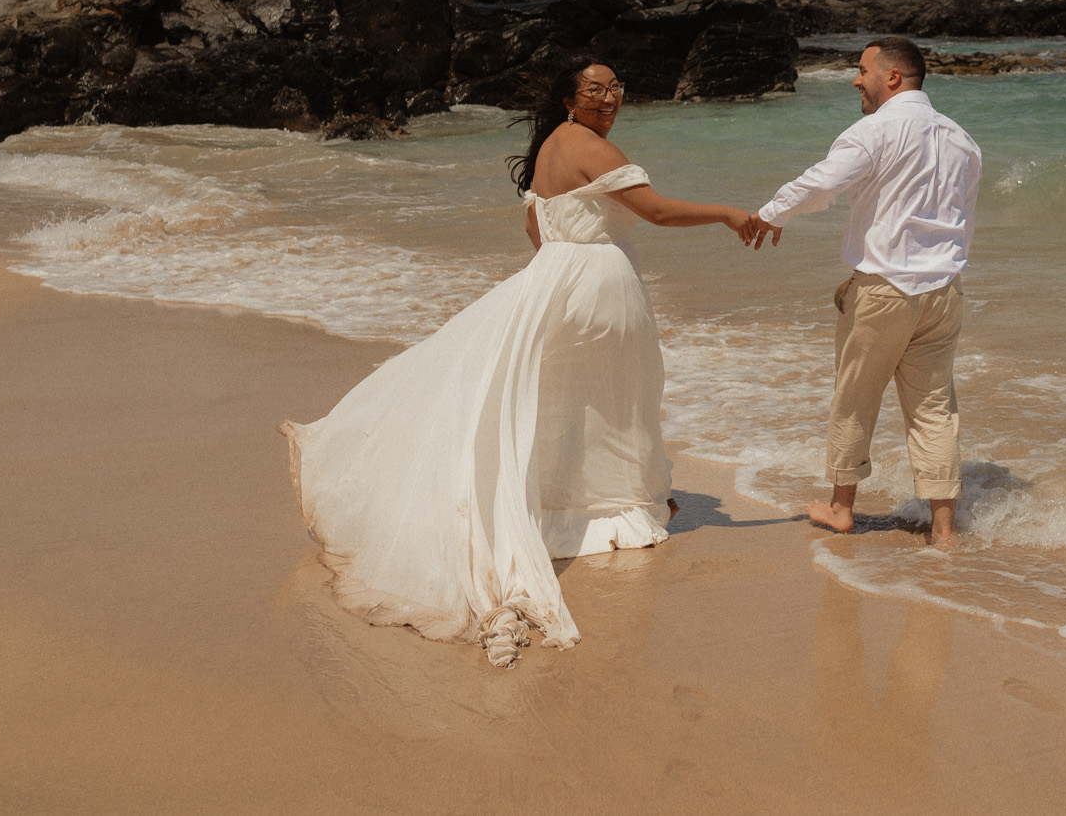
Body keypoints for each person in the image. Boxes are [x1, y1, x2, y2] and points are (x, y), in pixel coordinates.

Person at [278, 59, 755, 666]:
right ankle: (618, 508)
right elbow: (655, 212)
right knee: (613, 402)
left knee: (559, 402)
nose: (609, 98)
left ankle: (587, 507)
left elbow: (538, 232)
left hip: (554, 283)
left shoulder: (551, 150)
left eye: (615, 87)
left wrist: (570, 264)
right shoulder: (587, 145)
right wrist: (730, 213)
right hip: (598, 290)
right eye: (595, 90)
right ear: (568, 99)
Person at [748, 37, 982, 548]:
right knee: (935, 406)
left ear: (892, 77)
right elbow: (963, 219)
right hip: (944, 291)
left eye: (862, 70)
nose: (856, 79)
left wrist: (768, 214)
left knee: (855, 397)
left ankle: (840, 508)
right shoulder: (962, 139)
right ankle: (944, 530)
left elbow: (822, 184)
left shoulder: (875, 130)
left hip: (884, 289)